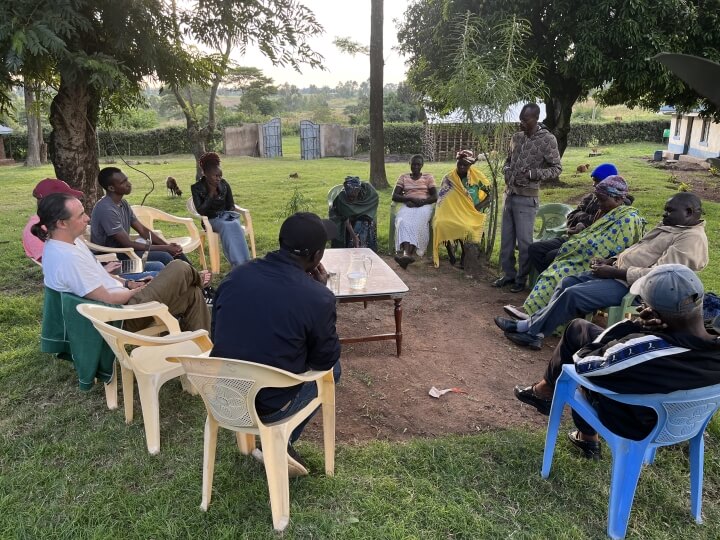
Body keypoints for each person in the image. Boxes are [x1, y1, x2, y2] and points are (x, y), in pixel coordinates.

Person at [512, 264, 720, 459]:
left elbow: (583, 362)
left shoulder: (645, 350)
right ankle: (544, 391)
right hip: (682, 416)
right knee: (579, 329)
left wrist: (634, 326)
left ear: (653, 313)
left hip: (636, 419)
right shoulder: (713, 344)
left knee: (580, 356)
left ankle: (586, 435)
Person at [211, 212, 341, 477]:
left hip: (223, 394)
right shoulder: (318, 297)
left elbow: (217, 332)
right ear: (317, 257)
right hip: (268, 404)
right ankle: (284, 437)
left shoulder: (236, 276)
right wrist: (321, 291)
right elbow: (323, 360)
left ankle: (273, 439)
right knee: (334, 369)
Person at [495, 192, 709, 350]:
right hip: (617, 274)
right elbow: (637, 250)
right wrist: (610, 261)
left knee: (573, 294)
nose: (664, 214)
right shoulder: (674, 227)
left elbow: (660, 278)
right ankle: (529, 326)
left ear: (689, 212)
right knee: (567, 282)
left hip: (633, 288)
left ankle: (533, 332)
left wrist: (615, 272)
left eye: (670, 211)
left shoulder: (691, 239)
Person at [33, 193, 210, 333]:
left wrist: (129, 282)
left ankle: (201, 351)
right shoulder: (67, 259)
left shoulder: (70, 242)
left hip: (124, 300)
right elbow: (107, 298)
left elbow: (98, 276)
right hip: (121, 315)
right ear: (62, 223)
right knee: (179, 267)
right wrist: (138, 290)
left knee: (192, 294)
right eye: (81, 215)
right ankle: (199, 279)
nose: (87, 218)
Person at [517, 176, 644, 316]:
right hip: (580, 247)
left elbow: (615, 247)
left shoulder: (628, 219)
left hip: (597, 261)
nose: (599, 205)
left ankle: (540, 315)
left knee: (557, 272)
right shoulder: (606, 208)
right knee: (551, 266)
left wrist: (580, 244)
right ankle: (535, 312)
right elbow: (583, 224)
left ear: (618, 199)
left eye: (602, 201)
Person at [23, 178, 162, 280]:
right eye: (68, 198)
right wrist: (119, 280)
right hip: (98, 276)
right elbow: (67, 274)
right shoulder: (40, 233)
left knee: (157, 265)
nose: (87, 217)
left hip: (99, 268)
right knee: (160, 274)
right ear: (54, 202)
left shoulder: (56, 225)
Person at [493, 103, 562, 293]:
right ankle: (508, 275)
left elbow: (556, 169)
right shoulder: (517, 137)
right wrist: (506, 170)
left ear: (536, 118)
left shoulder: (547, 140)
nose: (521, 122)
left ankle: (521, 280)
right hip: (509, 194)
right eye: (521, 118)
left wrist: (533, 174)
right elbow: (508, 161)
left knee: (524, 243)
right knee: (506, 240)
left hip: (527, 198)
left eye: (526, 119)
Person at [527, 163, 622, 274]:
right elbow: (571, 216)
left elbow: (602, 224)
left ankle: (553, 282)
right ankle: (549, 280)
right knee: (534, 249)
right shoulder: (590, 198)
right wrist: (581, 221)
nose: (593, 184)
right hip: (573, 237)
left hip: (589, 244)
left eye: (597, 181)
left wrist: (583, 223)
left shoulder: (618, 206)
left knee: (551, 256)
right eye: (593, 180)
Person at [91, 167, 190, 267]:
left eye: (127, 180)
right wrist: (165, 248)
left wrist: (168, 245)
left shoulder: (122, 203)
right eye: (123, 182)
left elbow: (142, 230)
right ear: (111, 188)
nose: (129, 184)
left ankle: (196, 277)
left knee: (174, 252)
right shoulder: (106, 209)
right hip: (111, 257)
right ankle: (193, 278)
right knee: (164, 256)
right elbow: (127, 244)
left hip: (124, 251)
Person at [431, 150, 491, 268]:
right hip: (451, 213)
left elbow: (490, 196)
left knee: (466, 227)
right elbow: (442, 200)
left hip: (471, 213)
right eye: (459, 164)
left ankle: (464, 256)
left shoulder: (478, 177)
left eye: (465, 164)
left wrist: (476, 207)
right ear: (456, 163)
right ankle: (450, 252)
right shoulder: (448, 178)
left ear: (470, 165)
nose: (462, 167)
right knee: (440, 223)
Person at [191, 152, 251, 268]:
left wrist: (227, 214)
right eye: (215, 176)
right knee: (228, 226)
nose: (219, 179)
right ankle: (238, 264)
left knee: (234, 224)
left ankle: (245, 262)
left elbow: (231, 205)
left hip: (226, 216)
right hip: (210, 220)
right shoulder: (197, 188)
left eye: (220, 176)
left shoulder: (224, 184)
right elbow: (201, 211)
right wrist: (211, 195)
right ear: (206, 174)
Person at [392, 154, 438, 269]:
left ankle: (406, 255)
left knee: (416, 223)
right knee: (402, 222)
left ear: (422, 165)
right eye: (413, 164)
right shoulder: (403, 177)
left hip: (424, 206)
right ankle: (407, 256)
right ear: (409, 164)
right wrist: (409, 199)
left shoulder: (428, 177)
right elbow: (395, 196)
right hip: (408, 205)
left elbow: (435, 196)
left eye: (418, 164)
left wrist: (421, 202)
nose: (415, 166)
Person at [329, 176, 379, 251]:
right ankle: (351, 249)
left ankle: (366, 249)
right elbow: (346, 220)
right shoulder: (341, 199)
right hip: (342, 220)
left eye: (353, 197)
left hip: (362, 217)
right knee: (355, 225)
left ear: (358, 191)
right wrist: (354, 237)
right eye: (349, 197)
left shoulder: (368, 193)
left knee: (366, 222)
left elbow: (374, 200)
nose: (351, 199)